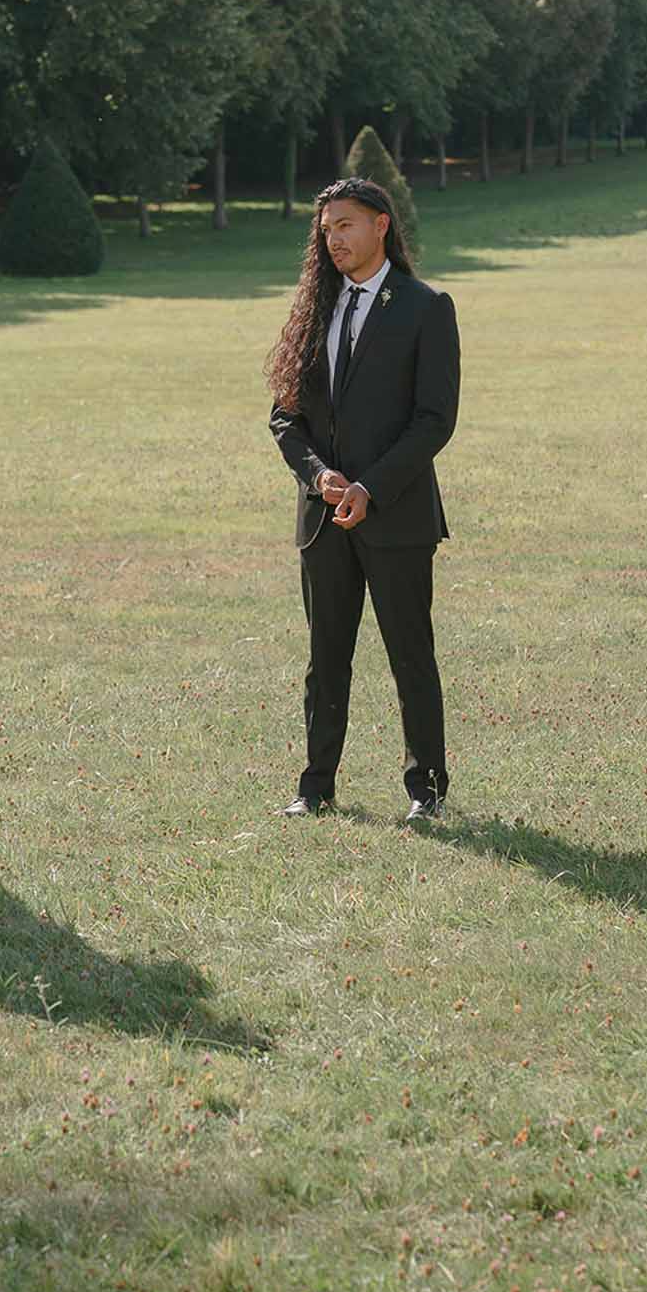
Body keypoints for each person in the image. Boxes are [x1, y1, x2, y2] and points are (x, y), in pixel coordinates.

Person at [265, 176, 460, 822]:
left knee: (411, 656)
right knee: (325, 660)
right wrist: (319, 476)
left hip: (397, 517)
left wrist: (370, 488)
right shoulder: (313, 309)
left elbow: (435, 419)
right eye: (326, 230)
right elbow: (285, 418)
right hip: (323, 519)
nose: (334, 239)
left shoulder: (427, 308)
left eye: (345, 225)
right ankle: (315, 788)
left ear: (381, 224)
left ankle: (426, 791)